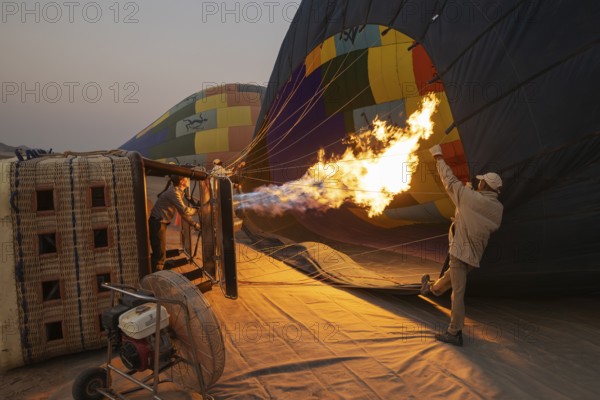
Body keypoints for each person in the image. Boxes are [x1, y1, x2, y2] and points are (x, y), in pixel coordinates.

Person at [421, 144, 503, 346]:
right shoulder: (497, 209)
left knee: (458, 293)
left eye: (481, 182)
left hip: (461, 253)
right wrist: (468, 196)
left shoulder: (470, 198)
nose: (479, 184)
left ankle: (454, 332)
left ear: (485, 186)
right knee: (451, 276)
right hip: (475, 258)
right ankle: (432, 289)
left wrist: (439, 157)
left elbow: (449, 181)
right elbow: (476, 212)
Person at [148, 175, 200, 272]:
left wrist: (194, 224)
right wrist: (198, 210)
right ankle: (156, 277)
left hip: (159, 222)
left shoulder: (178, 192)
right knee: (159, 253)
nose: (189, 180)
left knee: (160, 251)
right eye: (187, 178)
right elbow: (185, 210)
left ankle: (158, 269)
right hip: (157, 223)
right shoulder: (174, 192)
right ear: (182, 182)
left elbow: (182, 213)